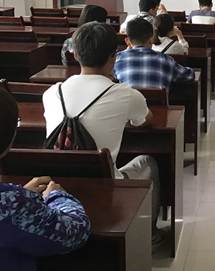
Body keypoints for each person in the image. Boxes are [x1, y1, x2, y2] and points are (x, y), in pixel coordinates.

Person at [42, 22, 163, 243]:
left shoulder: (51, 93)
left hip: (57, 184)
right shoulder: (126, 94)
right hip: (105, 184)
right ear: (113, 57)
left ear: (75, 54)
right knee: (149, 162)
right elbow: (145, 120)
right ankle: (152, 235)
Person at [0, 88, 91, 270]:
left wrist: (21, 195)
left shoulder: (11, 200)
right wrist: (56, 196)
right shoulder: (11, 204)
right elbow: (76, 231)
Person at [115, 18, 194, 89]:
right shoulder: (165, 60)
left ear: (127, 41)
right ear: (151, 39)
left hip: (128, 101)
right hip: (159, 101)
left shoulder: (117, 59)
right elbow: (190, 76)